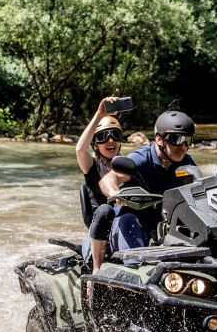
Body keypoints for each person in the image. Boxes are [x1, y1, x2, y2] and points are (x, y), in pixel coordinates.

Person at [99, 110, 196, 253]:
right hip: (128, 229)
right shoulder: (141, 160)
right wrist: (115, 192)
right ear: (159, 139)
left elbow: (194, 191)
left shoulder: (186, 164)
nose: (182, 147)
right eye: (176, 139)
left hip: (161, 230)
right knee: (127, 219)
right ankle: (134, 267)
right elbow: (108, 179)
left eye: (188, 141)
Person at [76, 97, 124, 272]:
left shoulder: (128, 165)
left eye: (115, 135)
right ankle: (97, 270)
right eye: (103, 137)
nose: (110, 141)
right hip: (100, 232)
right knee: (106, 210)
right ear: (95, 144)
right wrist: (99, 114)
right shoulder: (92, 165)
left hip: (124, 225)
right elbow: (80, 150)